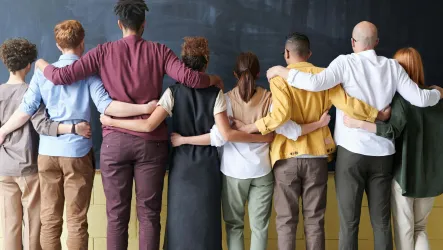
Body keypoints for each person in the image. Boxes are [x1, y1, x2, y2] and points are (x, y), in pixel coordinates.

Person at [34, 1, 223, 249]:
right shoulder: (160, 51)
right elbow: (189, 78)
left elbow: (61, 77)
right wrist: (214, 79)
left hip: (115, 144)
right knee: (149, 215)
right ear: (144, 24)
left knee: (116, 217)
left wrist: (41, 64)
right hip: (151, 145)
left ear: (120, 24)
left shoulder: (103, 52)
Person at [266, 22, 443, 250]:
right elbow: (419, 98)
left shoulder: (345, 62)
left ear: (352, 42)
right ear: (376, 43)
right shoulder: (392, 67)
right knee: (381, 223)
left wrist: (282, 70)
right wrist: (437, 93)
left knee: (349, 223)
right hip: (383, 155)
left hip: (351, 154)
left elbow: (315, 83)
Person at [100, 37, 273, 250]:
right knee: (207, 224)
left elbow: (147, 126)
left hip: (182, 165)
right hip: (208, 166)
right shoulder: (216, 94)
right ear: (206, 62)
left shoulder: (172, 92)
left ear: (182, 64)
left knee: (179, 223)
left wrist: (111, 121)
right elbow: (224, 133)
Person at [0, 20, 156, 250]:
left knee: (50, 221)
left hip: (47, 154)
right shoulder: (89, 74)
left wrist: (2, 131)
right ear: (82, 43)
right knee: (76, 220)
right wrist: (145, 109)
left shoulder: (42, 74)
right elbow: (107, 106)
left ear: (57, 45)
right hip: (77, 153)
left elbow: (25, 112)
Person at [230, 33, 388, 250]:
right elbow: (348, 103)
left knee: (286, 222)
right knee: (315, 221)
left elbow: (280, 116)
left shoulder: (279, 79)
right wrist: (375, 114)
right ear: (309, 54)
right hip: (317, 156)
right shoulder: (325, 76)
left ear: (286, 53)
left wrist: (248, 127)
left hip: (286, 158)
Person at [343, 47, 443, 250]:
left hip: (404, 175)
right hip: (431, 176)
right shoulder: (436, 100)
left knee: (404, 228)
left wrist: (359, 124)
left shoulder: (400, 100)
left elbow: (392, 130)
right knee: (420, 228)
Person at [0, 38, 90, 250]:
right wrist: (72, 129)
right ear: (29, 65)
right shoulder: (31, 90)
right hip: (29, 166)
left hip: (4, 168)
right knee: (35, 224)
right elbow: (42, 124)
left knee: (10, 225)